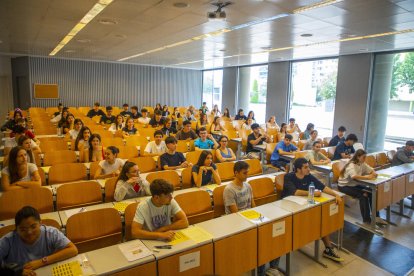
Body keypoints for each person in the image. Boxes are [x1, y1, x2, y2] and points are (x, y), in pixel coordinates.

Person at [282, 158, 344, 262]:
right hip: (288, 207)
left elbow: (323, 187)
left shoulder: (308, 176)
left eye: (308, 167)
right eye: (305, 167)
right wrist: (312, 193)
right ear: (298, 169)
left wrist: (336, 194)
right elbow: (295, 192)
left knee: (320, 221)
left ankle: (328, 249)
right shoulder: (289, 176)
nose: (309, 169)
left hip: (303, 205)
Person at [0, 206, 78, 275]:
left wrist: (41, 262)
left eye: (33, 227)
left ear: (40, 223)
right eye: (23, 229)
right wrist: (17, 272)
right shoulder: (8, 241)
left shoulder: (50, 233)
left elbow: (73, 250)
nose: (29, 232)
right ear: (16, 229)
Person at [338, 149, 387, 225]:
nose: (365, 159)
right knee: (363, 196)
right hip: (344, 186)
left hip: (354, 185)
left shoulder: (362, 163)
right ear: (358, 157)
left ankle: (376, 217)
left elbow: (370, 169)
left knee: (371, 192)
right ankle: (366, 220)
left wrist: (374, 173)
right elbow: (354, 176)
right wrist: (368, 177)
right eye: (363, 157)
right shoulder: (351, 165)